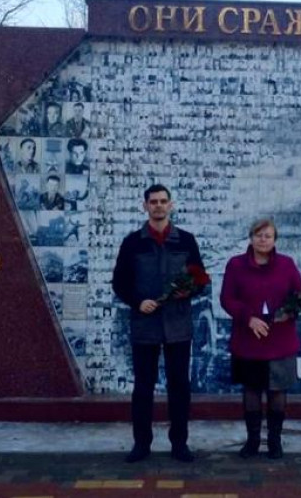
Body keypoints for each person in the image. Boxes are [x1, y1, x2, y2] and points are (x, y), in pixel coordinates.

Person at [111, 184, 205, 464]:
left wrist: (187, 290)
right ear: (145, 206)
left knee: (179, 387)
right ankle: (141, 444)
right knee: (143, 387)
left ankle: (180, 444)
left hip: (178, 326)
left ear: (171, 205)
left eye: (163, 201)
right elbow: (120, 283)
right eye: (153, 202)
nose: (159, 206)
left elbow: (200, 279)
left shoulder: (185, 241)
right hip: (145, 325)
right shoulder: (133, 242)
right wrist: (138, 301)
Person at [220, 219, 301, 460]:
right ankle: (253, 440)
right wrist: (249, 318)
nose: (263, 240)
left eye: (268, 236)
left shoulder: (287, 265)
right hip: (249, 340)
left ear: (275, 240)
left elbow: (299, 295)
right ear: (251, 238)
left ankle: (274, 441)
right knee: (252, 390)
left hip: (280, 340)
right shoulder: (236, 265)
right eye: (258, 235)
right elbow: (227, 299)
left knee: (277, 392)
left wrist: (289, 312)